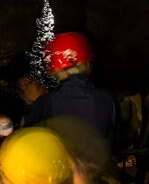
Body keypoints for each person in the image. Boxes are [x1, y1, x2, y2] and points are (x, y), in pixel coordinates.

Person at [23, 32, 116, 164]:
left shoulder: (44, 104)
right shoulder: (106, 100)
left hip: (57, 178)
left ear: (55, 69)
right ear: (87, 63)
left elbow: (27, 144)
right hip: (96, 176)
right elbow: (115, 141)